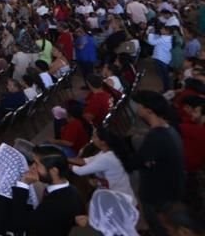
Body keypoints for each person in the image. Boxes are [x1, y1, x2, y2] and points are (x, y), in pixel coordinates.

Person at [133, 90, 186, 236]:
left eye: (139, 106)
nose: (137, 109)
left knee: (161, 229)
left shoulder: (157, 137)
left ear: (148, 110)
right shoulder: (167, 130)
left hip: (158, 197)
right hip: (167, 193)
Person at [12, 144, 87, 236]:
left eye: (37, 164)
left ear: (53, 171)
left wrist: (23, 185)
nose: (32, 167)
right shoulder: (71, 189)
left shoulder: (57, 202)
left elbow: (19, 223)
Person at [69, 125, 135, 199]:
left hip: (121, 197)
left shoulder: (106, 158)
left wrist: (66, 164)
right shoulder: (106, 152)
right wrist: (67, 159)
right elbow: (86, 161)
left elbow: (80, 171)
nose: (92, 139)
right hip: (121, 194)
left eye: (94, 137)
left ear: (103, 142)